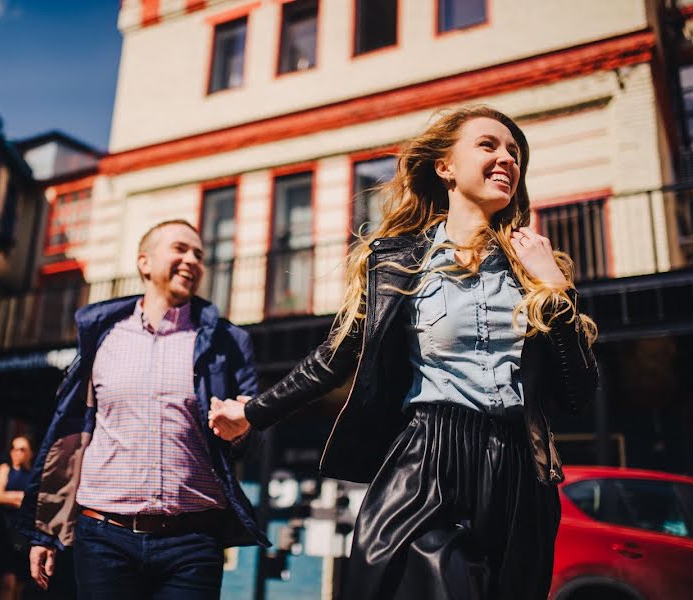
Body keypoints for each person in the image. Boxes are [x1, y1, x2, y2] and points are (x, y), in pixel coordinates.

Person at [208, 106, 599, 600]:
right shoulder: (397, 261)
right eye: (489, 146)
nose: (506, 159)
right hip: (426, 460)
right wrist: (253, 412)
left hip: (519, 468)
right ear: (445, 167)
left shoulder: (537, 265)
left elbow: (578, 394)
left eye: (515, 153)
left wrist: (556, 291)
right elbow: (335, 356)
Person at [16, 220, 269, 600]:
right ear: (145, 263)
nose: (192, 260)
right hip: (103, 537)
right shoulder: (102, 337)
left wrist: (243, 428)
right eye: (181, 249)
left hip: (193, 542)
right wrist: (45, 530)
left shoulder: (229, 343)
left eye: (199, 255)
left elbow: (248, 435)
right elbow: (68, 436)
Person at [0, 435, 34, 600]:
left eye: (22, 449)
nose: (17, 453)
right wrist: (20, 497)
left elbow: (34, 501)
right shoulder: (5, 469)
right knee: (7, 579)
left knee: (20, 582)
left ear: (29, 453)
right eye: (14, 448)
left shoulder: (31, 475)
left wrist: (13, 498)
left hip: (24, 531)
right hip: (6, 529)